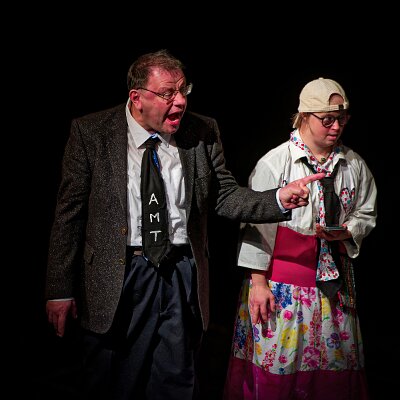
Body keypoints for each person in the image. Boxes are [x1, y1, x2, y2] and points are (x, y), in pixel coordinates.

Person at [45, 49, 324, 400]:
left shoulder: (201, 131)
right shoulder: (92, 133)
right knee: (114, 381)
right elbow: (69, 215)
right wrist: (59, 288)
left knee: (175, 380)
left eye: (183, 90)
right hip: (119, 273)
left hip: (179, 272)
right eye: (167, 94)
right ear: (137, 98)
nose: (180, 101)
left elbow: (224, 196)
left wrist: (278, 199)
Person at [223, 78, 377, 400]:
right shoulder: (276, 163)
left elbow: (366, 211)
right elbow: (256, 226)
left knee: (332, 375)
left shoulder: (353, 165)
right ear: (305, 115)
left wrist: (347, 230)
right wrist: (258, 283)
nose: (336, 127)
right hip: (283, 289)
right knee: (280, 373)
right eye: (327, 120)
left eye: (342, 119)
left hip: (333, 287)